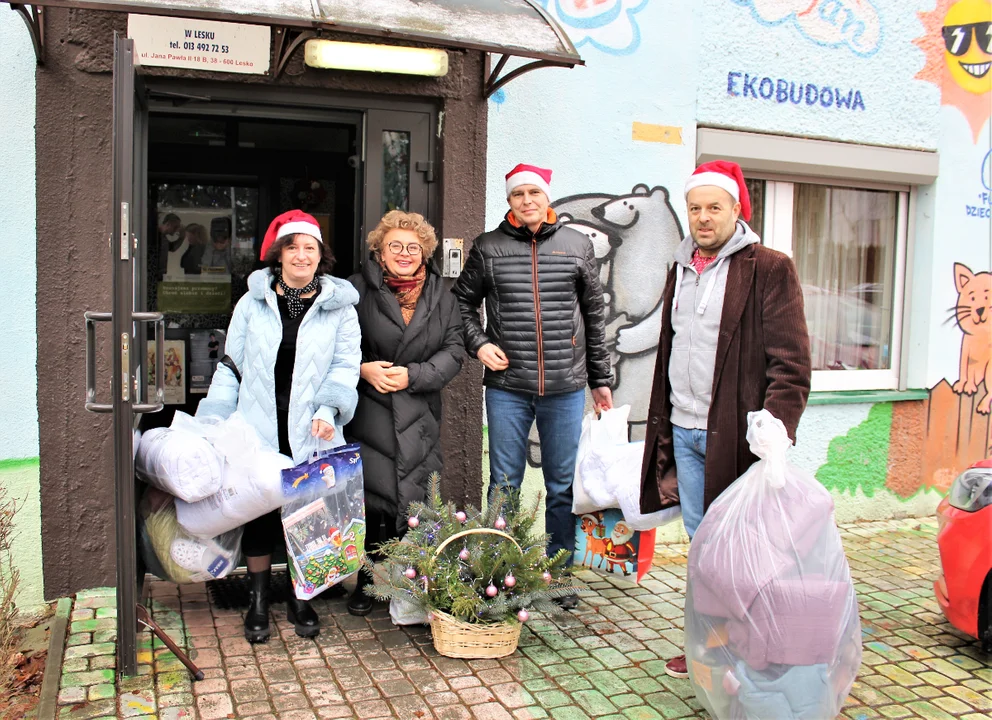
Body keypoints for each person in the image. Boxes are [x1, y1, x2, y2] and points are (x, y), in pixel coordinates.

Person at [637, 160, 812, 678]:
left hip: (737, 434)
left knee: (747, 545)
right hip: (684, 429)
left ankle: (756, 646)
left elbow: (792, 360)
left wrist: (776, 425)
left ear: (737, 209)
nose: (704, 217)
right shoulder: (681, 269)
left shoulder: (769, 268)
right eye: (695, 208)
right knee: (704, 544)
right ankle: (709, 644)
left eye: (715, 207)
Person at [453, 163, 613, 610]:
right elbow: (462, 303)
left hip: (565, 386)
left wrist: (600, 379)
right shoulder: (488, 247)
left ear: (547, 199)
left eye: (534, 193)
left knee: (562, 485)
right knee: (504, 482)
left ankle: (558, 575)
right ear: (509, 202)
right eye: (518, 194)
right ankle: (497, 574)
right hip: (507, 386)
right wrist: (479, 343)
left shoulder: (577, 245)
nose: (526, 200)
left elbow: (595, 317)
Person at [197, 209, 361, 643]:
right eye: (293, 247)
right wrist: (213, 418)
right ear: (279, 253)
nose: (302, 255)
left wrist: (330, 411)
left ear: (320, 254)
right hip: (258, 425)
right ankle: (255, 598)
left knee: (307, 513)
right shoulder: (251, 303)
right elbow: (230, 365)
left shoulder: (339, 308)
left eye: (310, 247)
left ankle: (300, 595)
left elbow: (346, 366)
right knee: (260, 514)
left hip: (312, 428)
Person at [345, 210, 465, 616]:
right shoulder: (354, 290)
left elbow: (454, 351)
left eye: (413, 247)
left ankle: (408, 586)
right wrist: (362, 368)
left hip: (419, 408)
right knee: (371, 498)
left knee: (412, 497)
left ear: (425, 253)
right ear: (379, 250)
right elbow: (333, 345)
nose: (404, 253)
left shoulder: (442, 296)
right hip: (368, 406)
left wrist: (414, 375)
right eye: (395, 245)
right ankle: (366, 580)